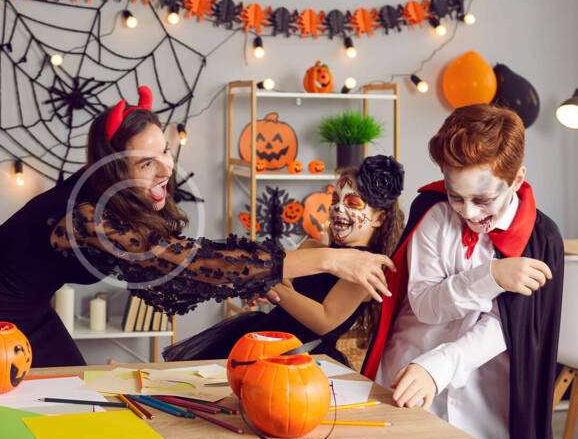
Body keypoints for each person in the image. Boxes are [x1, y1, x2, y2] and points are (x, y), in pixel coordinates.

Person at [0, 87, 394, 370]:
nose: (166, 170)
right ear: (114, 167)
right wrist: (331, 258)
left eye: (166, 153)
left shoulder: (115, 193)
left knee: (73, 394)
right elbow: (190, 264)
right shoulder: (88, 218)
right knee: (0, 415)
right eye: (145, 163)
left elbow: (186, 251)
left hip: (31, 308)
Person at [363, 105, 563, 439]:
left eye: (483, 199)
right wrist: (492, 276)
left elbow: (506, 328)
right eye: (457, 196)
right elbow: (425, 304)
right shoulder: (434, 215)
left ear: (517, 179)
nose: (469, 213)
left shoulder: (540, 239)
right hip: (409, 385)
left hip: (488, 407)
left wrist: (439, 367)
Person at [162, 155, 405, 365]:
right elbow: (286, 280)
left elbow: (325, 320)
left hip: (303, 354)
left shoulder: (363, 269)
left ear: (379, 218)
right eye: (334, 200)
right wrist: (273, 284)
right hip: (267, 335)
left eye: (352, 203)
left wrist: (268, 281)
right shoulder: (312, 247)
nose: (338, 208)